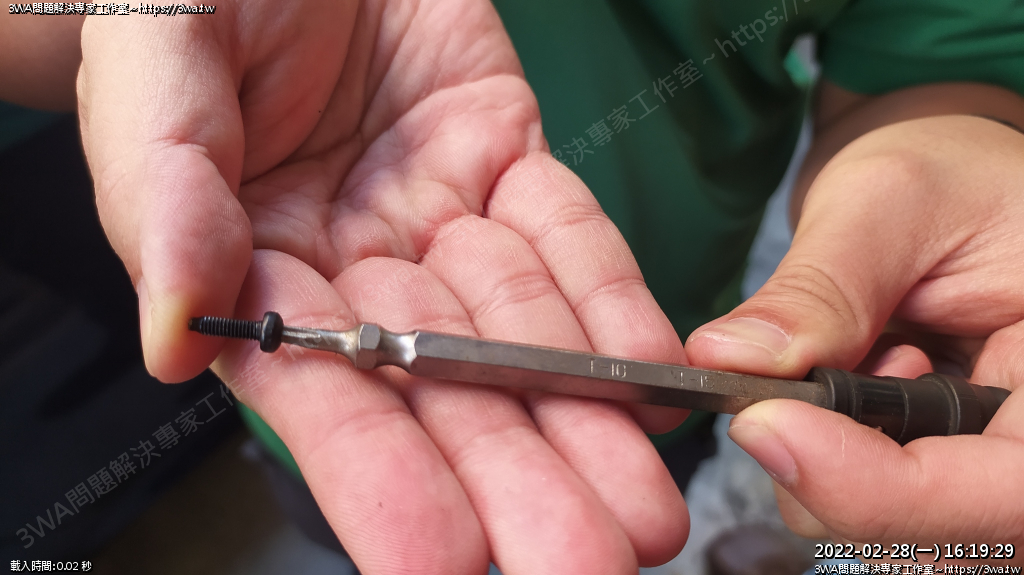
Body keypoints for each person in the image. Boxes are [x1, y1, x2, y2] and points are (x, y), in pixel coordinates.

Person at [5, 0, 1024, 571]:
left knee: (631, 494)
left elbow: (945, 60)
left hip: (673, 362)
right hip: (330, 434)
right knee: (387, 522)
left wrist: (934, 154)